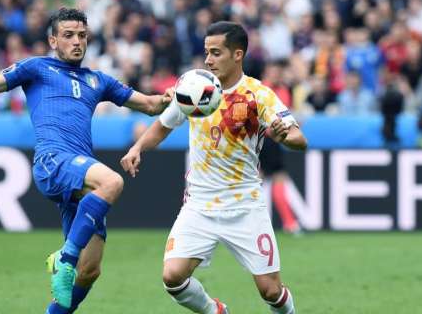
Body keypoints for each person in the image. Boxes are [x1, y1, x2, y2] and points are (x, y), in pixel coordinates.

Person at [0, 8, 172, 313]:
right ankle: (64, 257)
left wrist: (171, 98)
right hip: (53, 161)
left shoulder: (98, 80)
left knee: (90, 270)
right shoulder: (36, 68)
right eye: (68, 35)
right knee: (111, 182)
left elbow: (149, 105)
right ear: (53, 40)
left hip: (80, 177)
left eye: (82, 36)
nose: (77, 42)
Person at [121, 21, 307, 314]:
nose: (208, 59)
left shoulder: (258, 94)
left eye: (216, 53)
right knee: (172, 276)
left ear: (237, 54)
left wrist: (288, 136)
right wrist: (137, 148)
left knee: (270, 290)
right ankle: (214, 311)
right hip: (200, 204)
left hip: (245, 204)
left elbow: (298, 138)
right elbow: (163, 125)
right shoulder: (195, 86)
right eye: (206, 52)